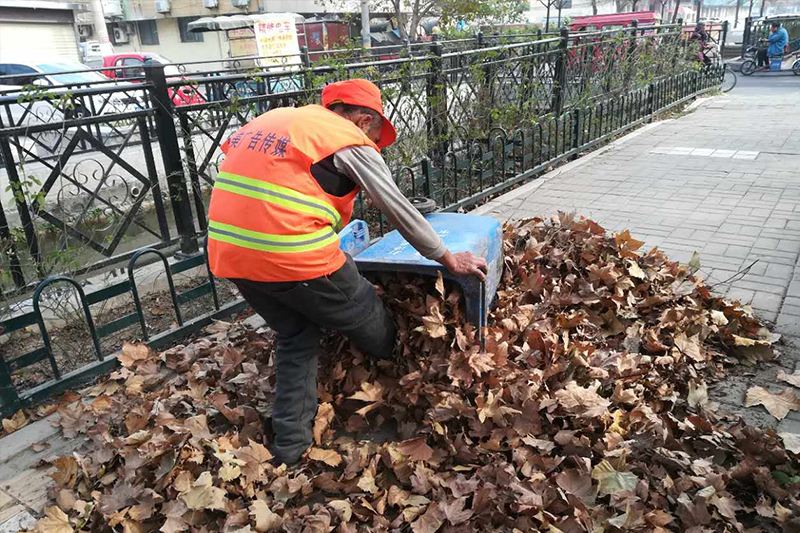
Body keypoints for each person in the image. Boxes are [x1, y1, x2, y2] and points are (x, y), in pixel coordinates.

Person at [206, 78, 488, 466]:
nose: (373, 139)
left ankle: (289, 449)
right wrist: (446, 257)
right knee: (369, 316)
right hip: (297, 258)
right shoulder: (342, 137)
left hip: (232, 256)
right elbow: (396, 206)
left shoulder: (273, 121)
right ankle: (403, 374)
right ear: (362, 118)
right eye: (375, 130)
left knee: (296, 333)